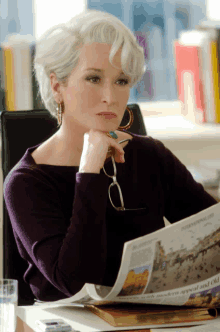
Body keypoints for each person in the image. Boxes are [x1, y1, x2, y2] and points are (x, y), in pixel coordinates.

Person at [3, 9, 217, 302]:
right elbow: (73, 281)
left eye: (121, 81)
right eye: (93, 78)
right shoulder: (25, 183)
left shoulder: (150, 155)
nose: (110, 96)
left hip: (149, 321)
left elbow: (211, 230)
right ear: (57, 86)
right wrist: (89, 172)